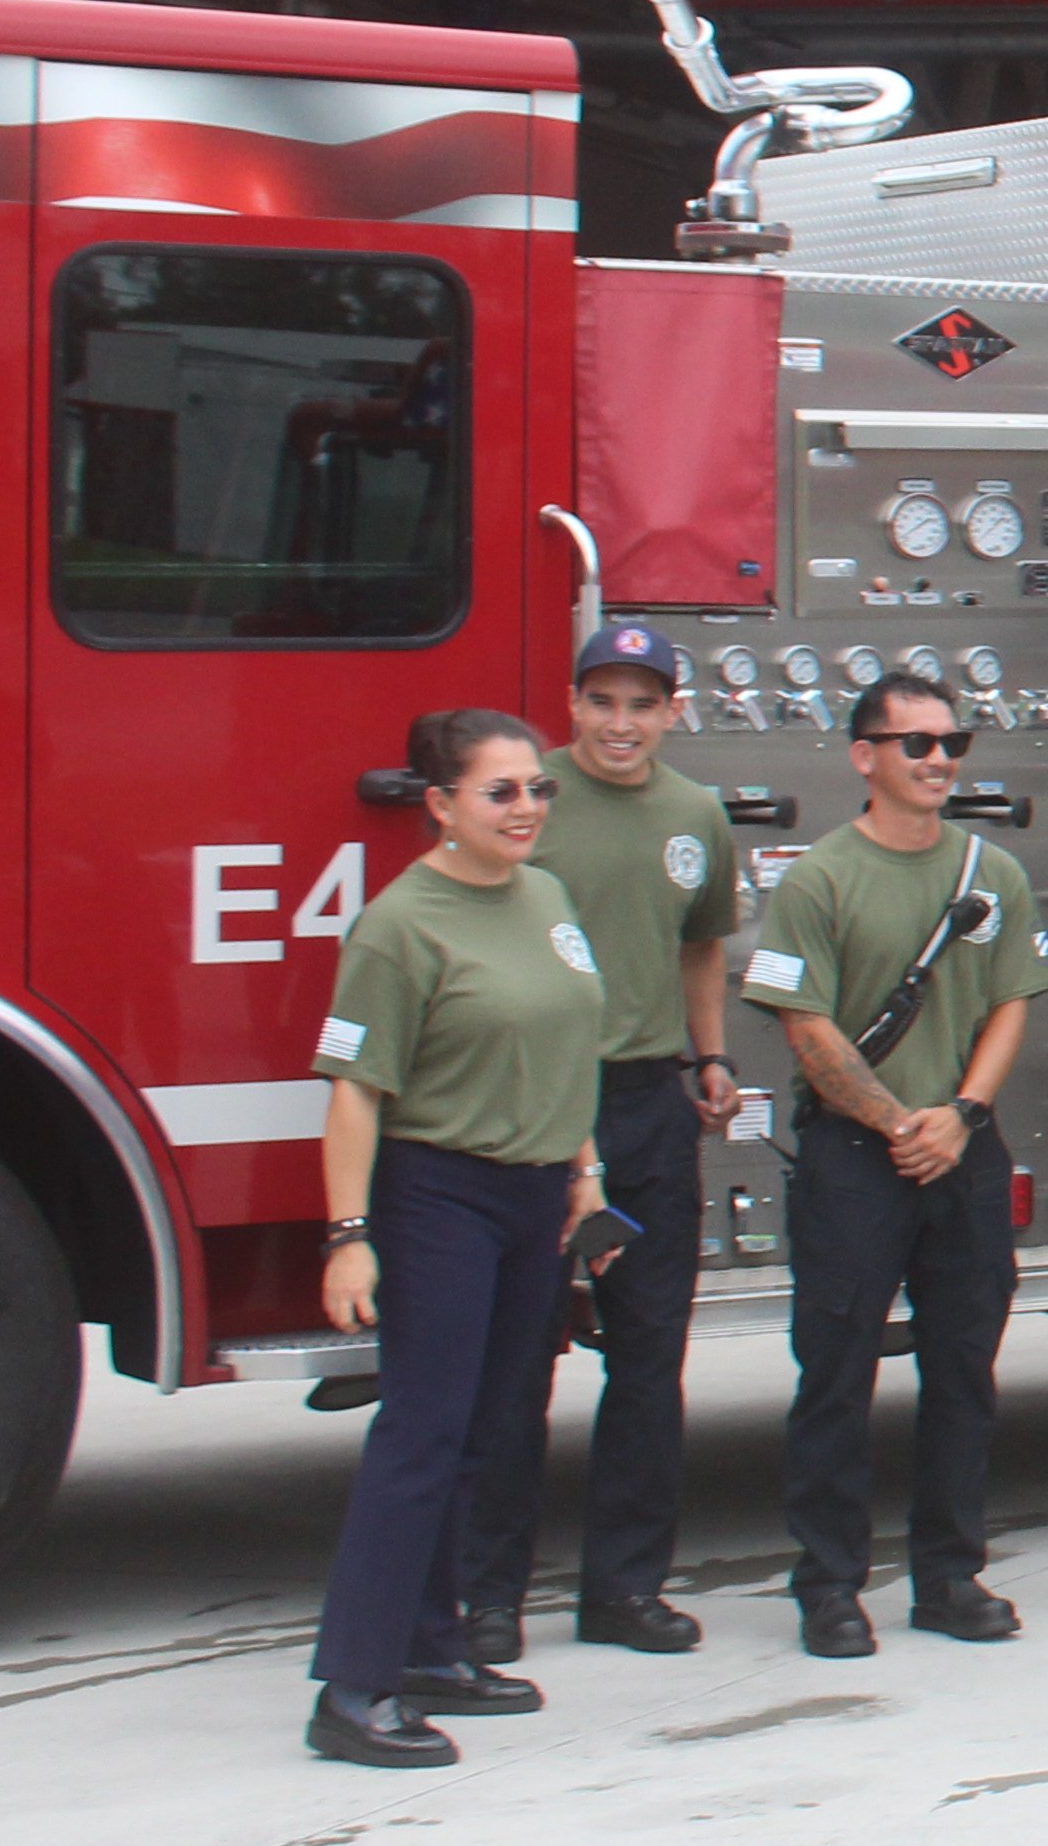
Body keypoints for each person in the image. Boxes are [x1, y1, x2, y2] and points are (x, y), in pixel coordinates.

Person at [300, 711, 612, 1766]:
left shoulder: (549, 897)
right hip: (441, 1197)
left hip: (534, 1199)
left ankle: (436, 1650)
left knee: (489, 1432)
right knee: (421, 1436)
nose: (526, 808)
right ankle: (355, 1686)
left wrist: (582, 1177)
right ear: (439, 805)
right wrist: (351, 1235)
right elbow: (354, 1094)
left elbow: (564, 1045)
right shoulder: (399, 925)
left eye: (537, 788)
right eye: (501, 792)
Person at [744, 671, 1048, 1657]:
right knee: (835, 1374)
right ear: (862, 755)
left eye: (951, 742)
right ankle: (830, 1586)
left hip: (961, 1149)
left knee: (964, 1369)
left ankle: (950, 1576)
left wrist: (962, 1113)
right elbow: (805, 1026)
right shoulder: (819, 879)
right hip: (856, 1155)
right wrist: (896, 1123)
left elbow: (1013, 999)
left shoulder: (990, 873)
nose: (938, 760)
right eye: (915, 743)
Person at [456, 621, 739, 1661]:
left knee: (649, 1359)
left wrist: (708, 1058)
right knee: (516, 1360)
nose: (623, 724)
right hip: (534, 1108)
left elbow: (700, 943)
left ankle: (625, 1589)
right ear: (573, 705)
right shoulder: (531, 800)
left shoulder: (697, 816)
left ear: (673, 710)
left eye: (645, 703)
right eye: (604, 702)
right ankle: (489, 1597)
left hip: (648, 1107)